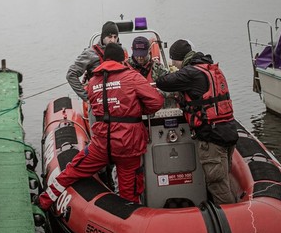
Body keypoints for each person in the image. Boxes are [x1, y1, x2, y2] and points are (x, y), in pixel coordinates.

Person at [38, 42, 164, 210]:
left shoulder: (93, 82)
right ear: (123, 60)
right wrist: (138, 110)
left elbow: (93, 103)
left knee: (72, 171)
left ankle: (44, 200)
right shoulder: (132, 77)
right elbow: (156, 101)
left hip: (101, 144)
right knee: (130, 192)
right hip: (128, 145)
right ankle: (130, 218)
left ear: (104, 59)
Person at [155, 39, 238, 205]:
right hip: (228, 130)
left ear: (179, 59)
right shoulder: (209, 68)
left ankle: (231, 217)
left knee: (217, 185)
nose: (174, 65)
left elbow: (162, 82)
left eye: (174, 61)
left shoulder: (190, 73)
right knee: (225, 179)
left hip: (212, 137)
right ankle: (236, 209)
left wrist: (161, 68)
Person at [66, 21, 123, 103]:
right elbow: (71, 74)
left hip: (118, 99)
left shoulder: (122, 52)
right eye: (110, 37)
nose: (113, 40)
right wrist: (87, 97)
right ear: (103, 37)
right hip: (98, 101)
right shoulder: (90, 53)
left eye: (115, 37)